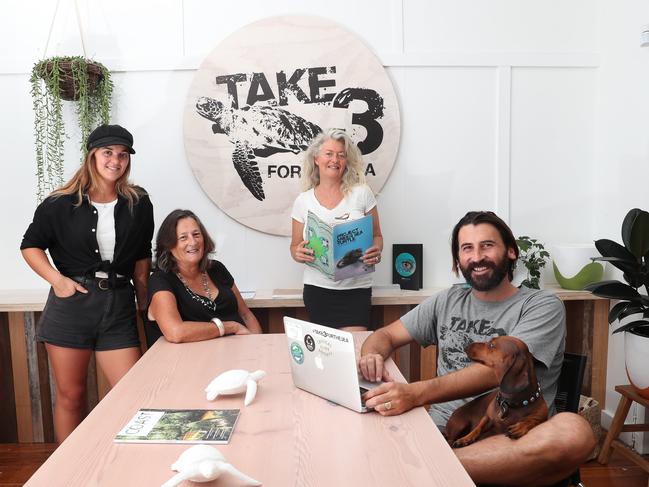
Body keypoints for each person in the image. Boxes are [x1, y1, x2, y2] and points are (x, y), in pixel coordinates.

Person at [358, 211, 596, 486]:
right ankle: (435, 469)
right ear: (458, 260)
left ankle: (428, 469)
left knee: (575, 432)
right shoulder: (447, 300)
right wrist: (372, 357)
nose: (477, 257)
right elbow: (385, 334)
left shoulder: (541, 305)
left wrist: (415, 393)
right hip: (443, 433)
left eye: (487, 245)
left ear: (511, 252)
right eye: (467, 248)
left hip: (512, 442)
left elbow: (500, 372)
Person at [21, 124, 154, 442]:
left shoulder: (139, 202)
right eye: (108, 153)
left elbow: (141, 256)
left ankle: (128, 468)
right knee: (71, 397)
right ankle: (69, 474)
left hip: (118, 307)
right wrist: (58, 281)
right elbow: (31, 246)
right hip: (72, 307)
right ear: (92, 156)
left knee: (132, 396)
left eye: (122, 155)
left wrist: (145, 300)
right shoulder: (59, 203)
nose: (116, 161)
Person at [290, 128, 383, 331]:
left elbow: (377, 235)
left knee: (353, 352)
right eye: (329, 154)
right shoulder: (303, 201)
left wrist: (376, 251)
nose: (335, 160)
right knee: (326, 354)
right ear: (316, 159)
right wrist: (299, 252)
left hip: (356, 290)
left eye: (341, 155)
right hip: (318, 291)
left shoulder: (362, 193)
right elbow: (294, 246)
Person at [146, 209, 262, 344]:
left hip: (237, 354)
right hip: (190, 360)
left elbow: (246, 315)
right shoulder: (160, 280)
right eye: (183, 237)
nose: (193, 242)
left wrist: (258, 346)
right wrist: (230, 327)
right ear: (169, 245)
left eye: (196, 234)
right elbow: (175, 332)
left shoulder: (217, 269)